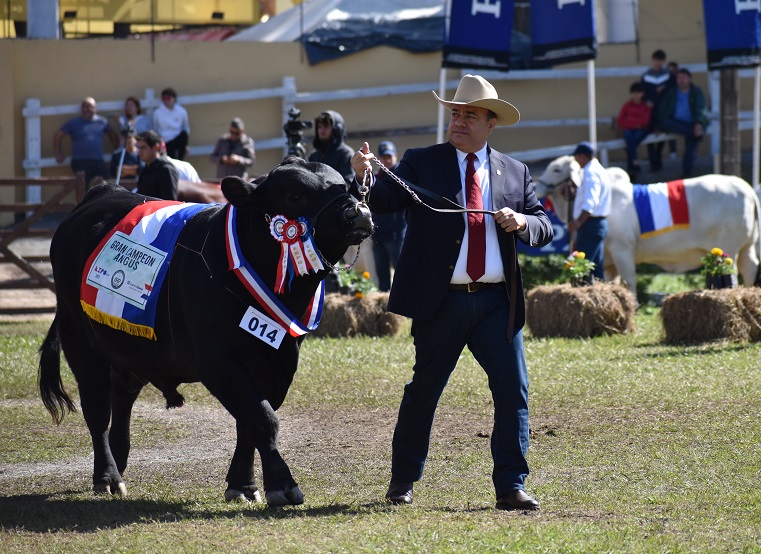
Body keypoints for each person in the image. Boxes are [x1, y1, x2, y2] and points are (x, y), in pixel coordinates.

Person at [351, 74, 554, 511]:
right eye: (455, 114)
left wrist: (522, 223)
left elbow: (545, 224)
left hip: (497, 302)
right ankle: (402, 482)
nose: (459, 122)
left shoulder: (515, 172)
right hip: (441, 301)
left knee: (512, 391)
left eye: (470, 116)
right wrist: (364, 177)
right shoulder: (421, 161)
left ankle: (511, 486)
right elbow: (384, 199)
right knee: (424, 390)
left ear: (490, 123)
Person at [566, 142, 611, 281]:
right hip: (597, 224)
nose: (576, 160)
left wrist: (578, 222)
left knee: (581, 269)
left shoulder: (590, 172)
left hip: (590, 225)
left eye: (577, 157)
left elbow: (590, 202)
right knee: (595, 269)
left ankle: (581, 299)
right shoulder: (599, 170)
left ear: (582, 156)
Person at [53, 96, 119, 188]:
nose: (86, 109)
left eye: (89, 106)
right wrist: (58, 153)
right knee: (83, 191)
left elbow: (112, 134)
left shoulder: (102, 121)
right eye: (84, 106)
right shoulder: (74, 122)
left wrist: (116, 149)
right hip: (80, 162)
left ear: (95, 108)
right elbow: (58, 135)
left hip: (98, 161)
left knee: (107, 187)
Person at [655, 68, 709, 178]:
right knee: (692, 134)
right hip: (675, 123)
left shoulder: (696, 92)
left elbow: (701, 109)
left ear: (690, 79)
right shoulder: (671, 92)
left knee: (691, 142)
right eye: (679, 78)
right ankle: (695, 134)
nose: (681, 80)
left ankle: (687, 172)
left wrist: (698, 123)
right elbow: (662, 111)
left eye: (684, 78)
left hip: (691, 122)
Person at [370, 141, 406, 292]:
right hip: (379, 234)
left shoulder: (402, 174)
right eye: (384, 157)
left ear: (396, 156)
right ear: (379, 158)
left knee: (402, 274)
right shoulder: (376, 177)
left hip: (396, 234)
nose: (387, 160)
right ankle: (386, 309)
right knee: (382, 275)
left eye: (389, 156)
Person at [641, 49, 672, 172]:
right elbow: (642, 93)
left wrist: (664, 88)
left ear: (664, 62)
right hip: (649, 111)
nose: (657, 63)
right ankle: (652, 161)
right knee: (649, 136)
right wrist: (647, 100)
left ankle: (658, 157)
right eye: (655, 60)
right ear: (652, 61)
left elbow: (672, 91)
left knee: (661, 137)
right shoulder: (646, 76)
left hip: (663, 111)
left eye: (660, 60)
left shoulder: (668, 76)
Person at [616, 82, 652, 179]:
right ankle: (634, 162)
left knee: (631, 141)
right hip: (630, 130)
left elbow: (645, 122)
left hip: (641, 130)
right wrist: (636, 124)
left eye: (638, 93)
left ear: (642, 94)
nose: (636, 95)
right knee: (628, 136)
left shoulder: (645, 106)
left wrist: (630, 121)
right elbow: (620, 121)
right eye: (634, 93)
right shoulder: (627, 106)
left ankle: (632, 165)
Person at [308, 110, 355, 184]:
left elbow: (347, 184)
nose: (321, 130)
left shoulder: (345, 154)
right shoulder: (314, 155)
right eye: (319, 127)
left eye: (326, 126)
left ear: (337, 130)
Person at [135, 130, 179, 200]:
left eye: (143, 147)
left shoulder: (166, 170)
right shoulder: (145, 170)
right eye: (138, 148)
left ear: (156, 147)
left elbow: (170, 201)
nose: (139, 151)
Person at [152, 87, 190, 160]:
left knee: (184, 135)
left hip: (178, 139)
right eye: (164, 98)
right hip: (165, 140)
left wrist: (186, 145)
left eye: (168, 98)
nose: (166, 101)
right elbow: (155, 129)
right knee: (171, 158)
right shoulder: (157, 113)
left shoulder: (181, 111)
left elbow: (186, 128)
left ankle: (181, 159)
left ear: (174, 99)